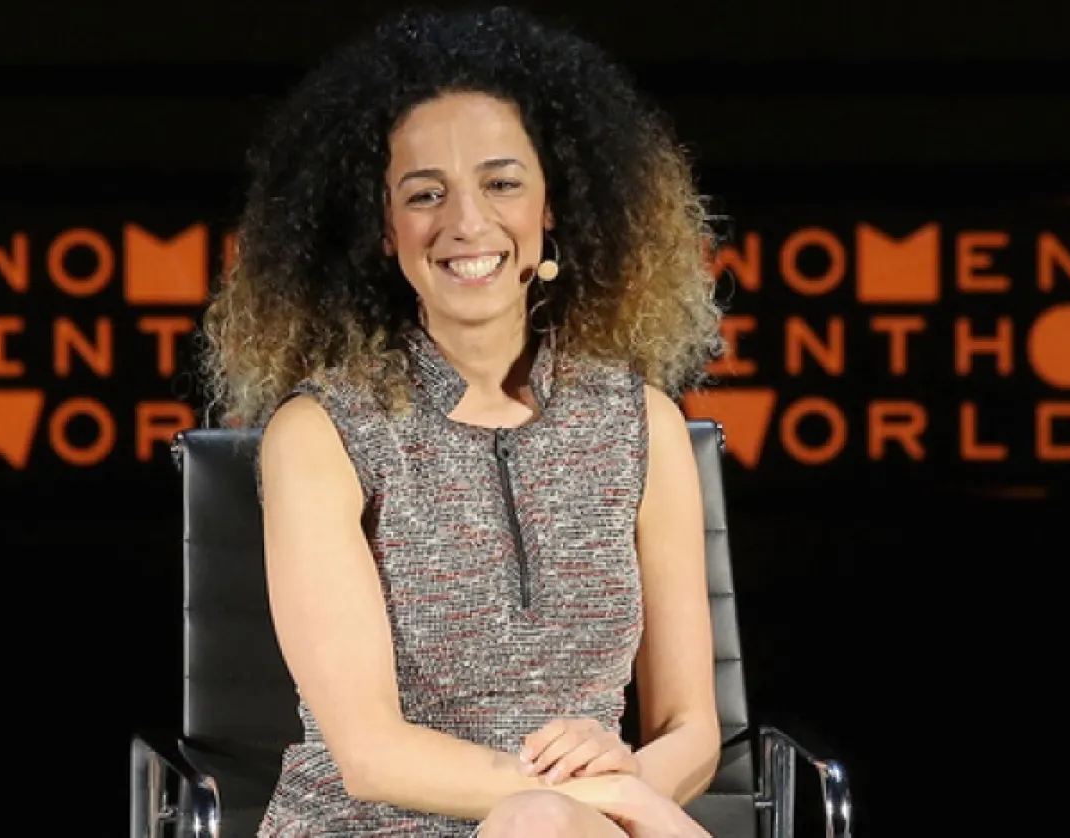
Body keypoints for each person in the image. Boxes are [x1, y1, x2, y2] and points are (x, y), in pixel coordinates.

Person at [200, 5, 728, 836]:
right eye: (424, 194)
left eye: (502, 182)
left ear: (554, 204)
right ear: (384, 228)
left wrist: (630, 783)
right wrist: (578, 804)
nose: (467, 224)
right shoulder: (327, 431)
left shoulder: (640, 425)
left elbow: (689, 730)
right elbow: (370, 754)